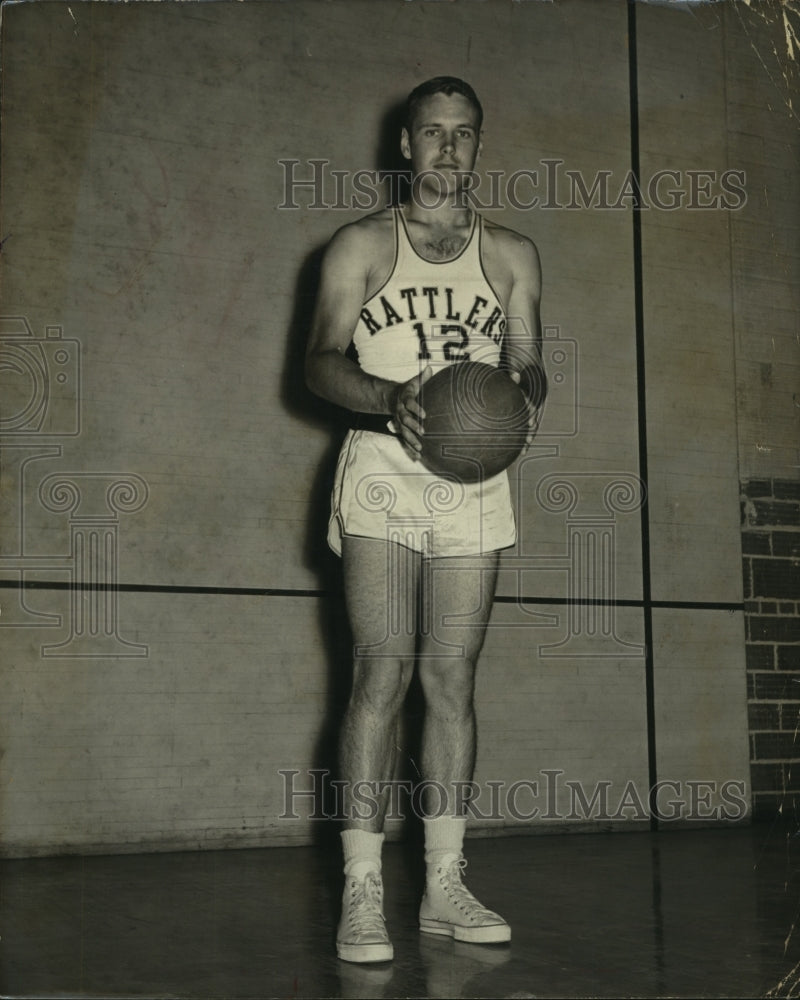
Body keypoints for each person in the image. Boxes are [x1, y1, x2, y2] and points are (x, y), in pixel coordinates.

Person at [305, 76, 546, 964]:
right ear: (404, 145)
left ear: (479, 146)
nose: (448, 148)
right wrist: (387, 399)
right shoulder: (361, 245)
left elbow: (531, 362)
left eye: (464, 134)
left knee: (451, 680)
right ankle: (362, 889)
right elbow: (317, 364)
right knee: (381, 674)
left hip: (473, 479)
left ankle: (444, 883)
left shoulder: (514, 253)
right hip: (382, 472)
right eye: (431, 132)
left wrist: (519, 395)